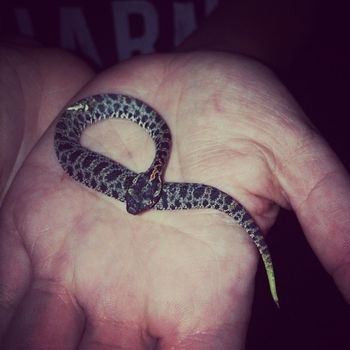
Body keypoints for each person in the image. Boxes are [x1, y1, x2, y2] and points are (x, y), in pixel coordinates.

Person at [1, 2, 349, 349]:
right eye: (133, 198)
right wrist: (40, 82)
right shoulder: (140, 178)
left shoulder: (156, 158)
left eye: (138, 199)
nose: (133, 206)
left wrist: (219, 58)